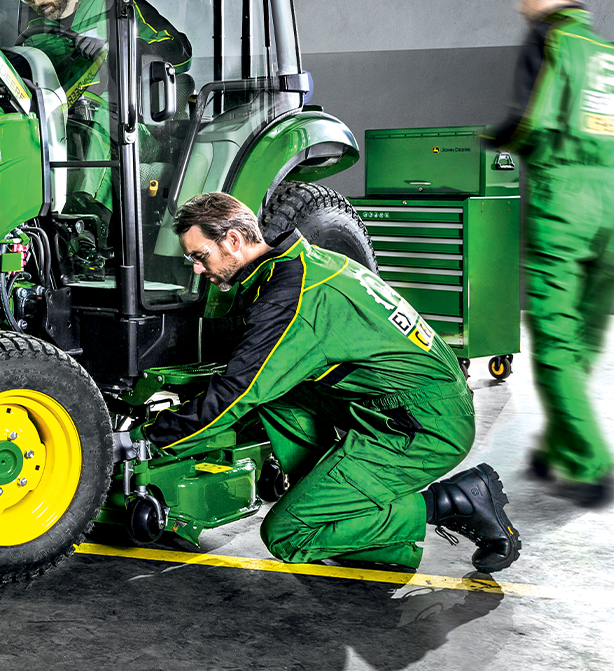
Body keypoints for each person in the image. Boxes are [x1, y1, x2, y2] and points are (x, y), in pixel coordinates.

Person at [146, 192, 520, 572]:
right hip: (401, 402)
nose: (195, 268)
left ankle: (452, 501)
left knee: (288, 534)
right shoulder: (302, 265)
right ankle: (335, 500)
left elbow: (237, 392)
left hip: (424, 425)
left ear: (233, 241)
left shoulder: (289, 299)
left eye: (199, 256)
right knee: (277, 390)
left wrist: (149, 440)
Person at [485, 0, 614, 507]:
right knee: (582, 334)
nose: (520, 2)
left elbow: (530, 120)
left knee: (554, 338)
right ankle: (559, 443)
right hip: (611, 205)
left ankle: (591, 463)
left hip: (565, 205)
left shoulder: (550, 40)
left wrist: (488, 142)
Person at [3, 0, 190, 261]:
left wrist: (120, 49)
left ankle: (87, 230)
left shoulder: (115, 6)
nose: (36, 1)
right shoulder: (34, 34)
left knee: (100, 122)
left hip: (135, 124)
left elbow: (179, 52)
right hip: (61, 127)